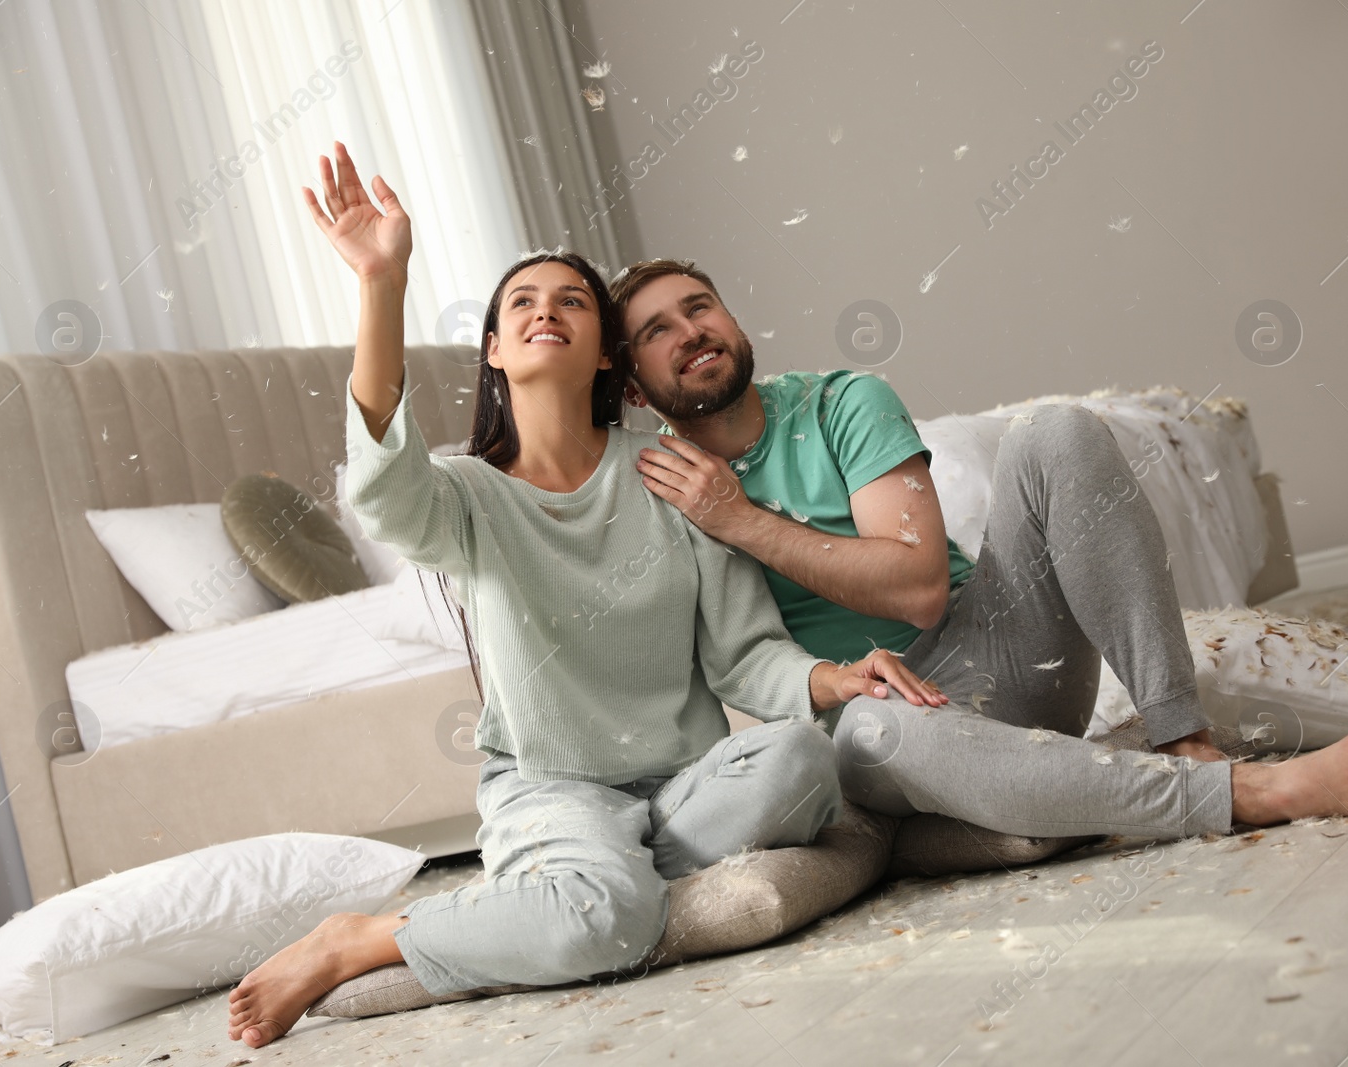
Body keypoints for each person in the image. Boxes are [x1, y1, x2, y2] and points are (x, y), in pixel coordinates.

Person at [225, 145, 943, 1049]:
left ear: (607, 351)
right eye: (520, 302)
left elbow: (745, 656)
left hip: (683, 785)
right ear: (493, 349)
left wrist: (843, 678)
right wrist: (381, 282)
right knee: (609, 921)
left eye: (571, 300)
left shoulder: (673, 476)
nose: (545, 311)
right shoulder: (467, 497)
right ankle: (364, 938)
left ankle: (586, 884)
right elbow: (379, 490)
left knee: (802, 761)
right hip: (551, 790)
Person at [611, 258, 1348, 843]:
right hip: (885, 720)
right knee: (870, 734)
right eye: (657, 331)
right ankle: (1236, 797)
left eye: (699, 307)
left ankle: (1184, 740)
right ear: (636, 389)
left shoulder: (840, 402)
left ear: (734, 323)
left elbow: (918, 587)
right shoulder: (660, 490)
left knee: (1055, 430)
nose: (691, 333)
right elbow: (729, 661)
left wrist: (742, 520)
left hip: (1004, 652)